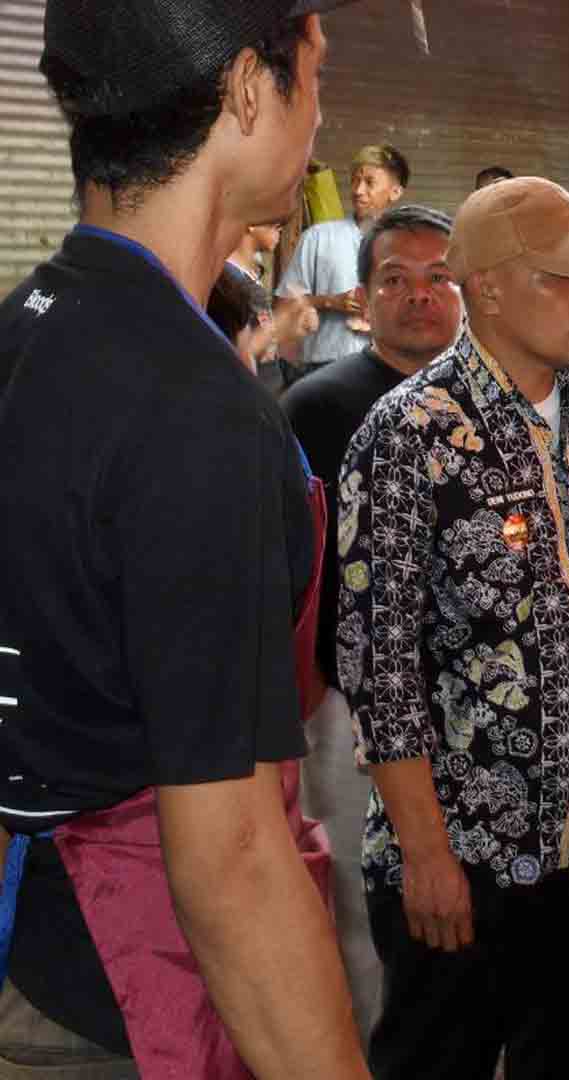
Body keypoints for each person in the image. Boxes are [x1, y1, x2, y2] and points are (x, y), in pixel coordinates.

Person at [0, 3, 366, 1077]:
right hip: (117, 994)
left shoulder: (27, 325)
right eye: (316, 76)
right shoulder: (196, 409)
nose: (319, 118)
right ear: (250, 89)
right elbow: (234, 859)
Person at [336, 177, 569, 1078]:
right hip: (464, 854)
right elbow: (379, 668)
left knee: (560, 1056)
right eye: (564, 277)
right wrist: (425, 855)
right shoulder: (410, 434)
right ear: (488, 289)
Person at [281, 203, 461, 1042]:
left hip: (477, 712)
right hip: (349, 711)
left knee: (472, 909)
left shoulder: (495, 401)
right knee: (361, 901)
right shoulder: (314, 407)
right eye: (396, 279)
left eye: (439, 278)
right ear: (362, 297)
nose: (419, 295)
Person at [278, 142, 410, 377]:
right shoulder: (317, 238)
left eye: (369, 182)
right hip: (323, 370)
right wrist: (330, 302)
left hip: (389, 371)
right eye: (355, 181)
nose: (358, 190)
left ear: (395, 192)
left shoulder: (410, 248)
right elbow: (283, 306)